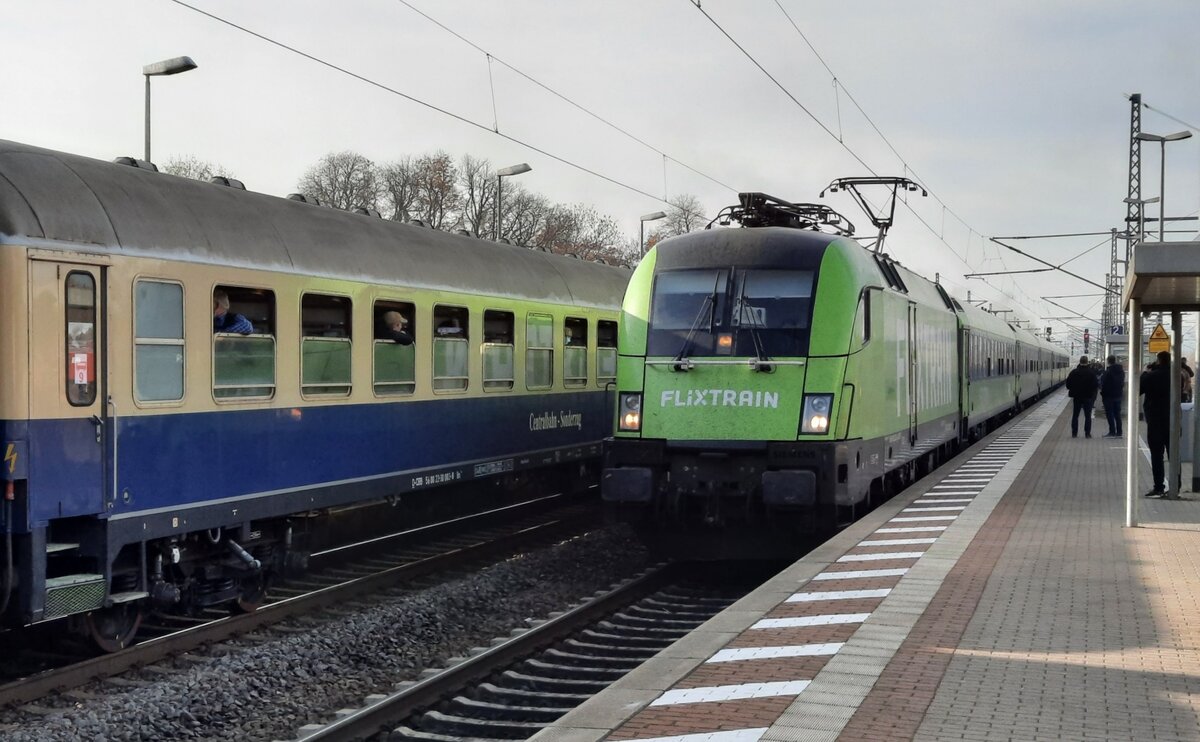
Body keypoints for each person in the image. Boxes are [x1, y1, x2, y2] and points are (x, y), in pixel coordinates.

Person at [1141, 351, 1173, 498]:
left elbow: (1138, 390)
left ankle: (1159, 487)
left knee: (1156, 455)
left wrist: (1146, 373)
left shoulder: (1151, 376)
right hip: (1173, 419)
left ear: (1158, 361)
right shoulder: (1176, 374)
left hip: (1155, 420)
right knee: (1174, 454)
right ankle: (1175, 486)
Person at [1065, 355, 1099, 438]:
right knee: (1088, 416)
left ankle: (1074, 433)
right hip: (1088, 397)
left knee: (1075, 415)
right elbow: (1095, 385)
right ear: (1087, 362)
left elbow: (1068, 385)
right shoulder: (1091, 373)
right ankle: (1087, 434)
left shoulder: (1074, 372)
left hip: (1077, 397)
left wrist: (1074, 389)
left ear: (1080, 362)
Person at [1099, 355, 1124, 437]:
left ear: (1108, 361)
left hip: (1108, 397)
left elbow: (1104, 385)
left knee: (1110, 414)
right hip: (1118, 395)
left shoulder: (1107, 372)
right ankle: (1119, 432)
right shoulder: (1121, 371)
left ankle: (1112, 432)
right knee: (1117, 414)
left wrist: (1102, 394)